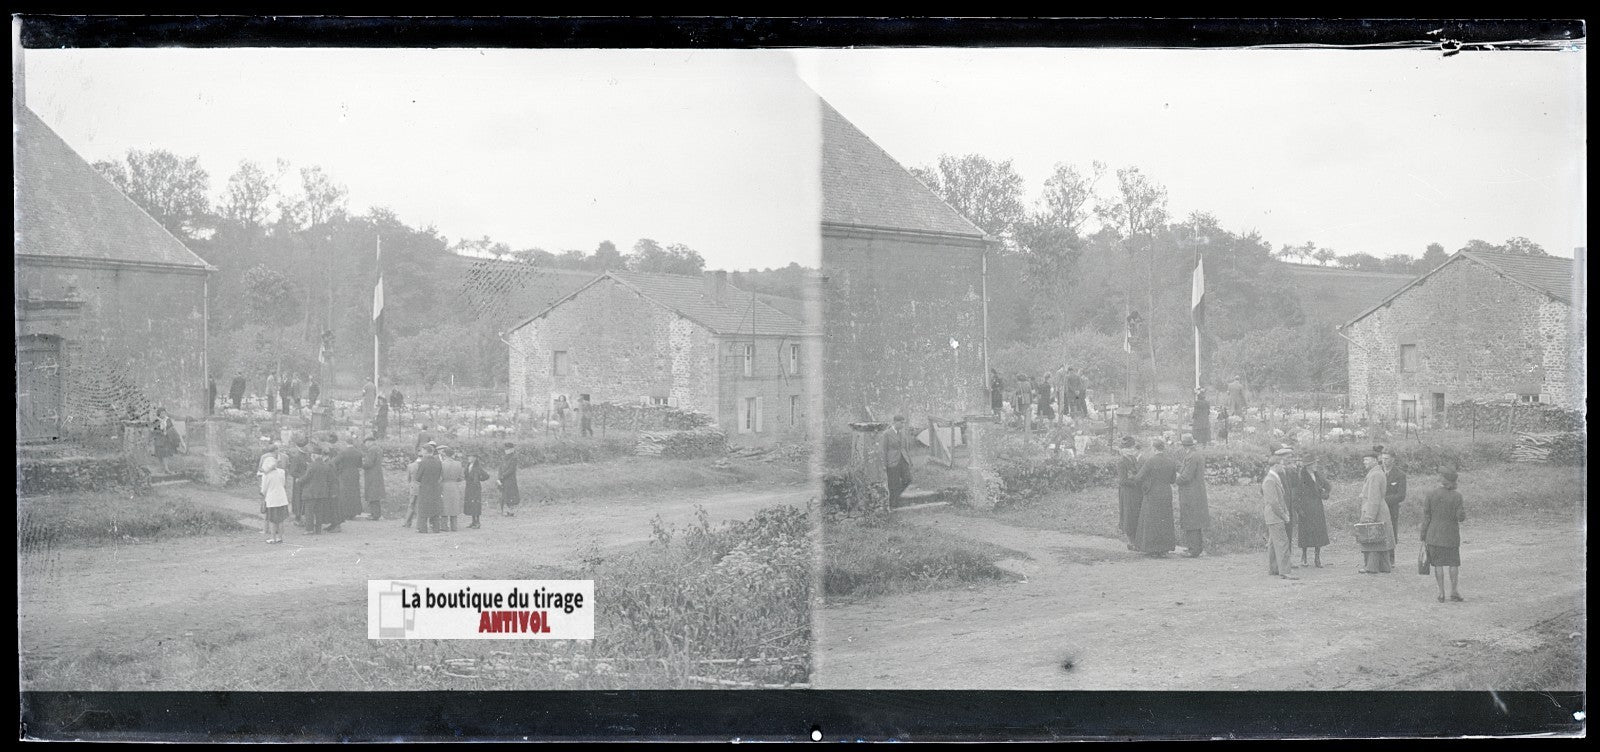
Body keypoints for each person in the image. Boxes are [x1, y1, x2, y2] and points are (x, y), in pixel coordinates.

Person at [1421, 470, 1468, 602]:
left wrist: (1423, 535)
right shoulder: (1457, 496)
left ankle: (1441, 593)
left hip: (1434, 534)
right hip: (1451, 535)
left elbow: (1426, 517)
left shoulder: (1431, 494)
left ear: (1442, 480)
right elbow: (1460, 517)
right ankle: (1454, 591)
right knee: (1453, 563)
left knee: (1438, 565)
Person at [1132, 438, 1179, 556]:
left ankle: (1152, 548)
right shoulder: (1170, 461)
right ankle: (1164, 549)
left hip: (1152, 493)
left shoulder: (1150, 461)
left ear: (1154, 449)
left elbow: (1139, 477)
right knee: (1165, 520)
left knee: (1151, 520)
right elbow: (1173, 480)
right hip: (1166, 493)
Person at [1262, 446, 1296, 579]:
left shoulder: (1273, 478)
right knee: (1282, 542)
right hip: (1275, 517)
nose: (1283, 467)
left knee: (1273, 543)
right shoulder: (1270, 480)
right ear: (1276, 466)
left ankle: (1274, 568)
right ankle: (1285, 571)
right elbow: (1274, 502)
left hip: (1274, 516)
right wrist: (1284, 515)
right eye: (1281, 465)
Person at [1358, 450, 1395, 573]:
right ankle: (1384, 567)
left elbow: (1374, 497)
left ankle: (1371, 567)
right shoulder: (1377, 472)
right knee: (1379, 539)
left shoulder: (1375, 475)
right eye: (1364, 460)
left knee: (1372, 539)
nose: (1364, 462)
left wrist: (1369, 517)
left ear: (1374, 461)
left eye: (1366, 460)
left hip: (1375, 510)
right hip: (1378, 509)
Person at [1294, 454, 1333, 567]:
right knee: (1305, 534)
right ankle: (1304, 556)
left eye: (1315, 463)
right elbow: (1295, 496)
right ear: (1308, 466)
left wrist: (1324, 493)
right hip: (1305, 510)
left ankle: (1317, 558)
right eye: (1314, 464)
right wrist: (1299, 510)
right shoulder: (1301, 477)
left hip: (1317, 508)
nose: (1316, 465)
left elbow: (1328, 486)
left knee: (1318, 533)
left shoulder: (1317, 475)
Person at [1174, 434, 1209, 557]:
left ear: (1184, 446)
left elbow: (1186, 477)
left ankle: (1193, 550)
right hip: (1196, 492)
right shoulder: (1196, 455)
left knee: (1191, 520)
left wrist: (1177, 478)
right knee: (1195, 521)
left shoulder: (1191, 457)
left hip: (1190, 493)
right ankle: (1195, 548)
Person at [300, 445, 339, 535]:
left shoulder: (311, 465)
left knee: (309, 512)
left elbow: (306, 477)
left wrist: (299, 480)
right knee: (319, 512)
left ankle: (309, 529)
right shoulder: (326, 465)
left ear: (314, 455)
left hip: (310, 492)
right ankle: (318, 530)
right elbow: (330, 479)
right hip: (322, 493)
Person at [333, 436, 365, 530]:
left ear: (346, 443)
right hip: (354, 474)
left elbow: (335, 462)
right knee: (354, 492)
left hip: (345, 474)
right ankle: (354, 512)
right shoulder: (358, 453)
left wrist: (338, 470)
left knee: (345, 493)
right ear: (353, 443)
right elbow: (360, 465)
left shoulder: (343, 452)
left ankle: (346, 512)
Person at [1116, 436, 1142, 549]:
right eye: (1127, 448)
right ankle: (1131, 541)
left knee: (1135, 514)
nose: (1130, 450)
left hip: (1135, 491)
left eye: (1131, 448)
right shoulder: (1122, 461)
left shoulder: (1133, 459)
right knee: (1128, 514)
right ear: (1122, 450)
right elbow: (1122, 481)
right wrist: (1135, 481)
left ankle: (1135, 540)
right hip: (1127, 492)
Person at [882, 415, 914, 503]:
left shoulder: (903, 433)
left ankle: (895, 497)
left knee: (908, 479)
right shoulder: (886, 434)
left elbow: (906, 448)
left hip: (903, 459)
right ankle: (893, 502)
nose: (903, 425)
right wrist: (884, 464)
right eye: (901, 423)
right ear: (895, 422)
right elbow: (884, 450)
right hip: (892, 461)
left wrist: (909, 461)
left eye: (904, 423)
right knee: (893, 483)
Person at [414, 444, 444, 534]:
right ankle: (436, 529)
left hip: (425, 487)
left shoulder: (423, 462)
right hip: (435, 487)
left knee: (423, 508)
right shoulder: (438, 462)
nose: (422, 452)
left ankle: (423, 528)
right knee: (435, 508)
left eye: (422, 450)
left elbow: (418, 477)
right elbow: (439, 475)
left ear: (426, 451)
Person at [260, 453, 289, 544]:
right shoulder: (281, 472)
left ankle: (273, 538)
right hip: (282, 498)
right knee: (280, 520)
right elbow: (283, 484)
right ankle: (280, 537)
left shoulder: (266, 475)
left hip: (272, 498)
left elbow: (264, 489)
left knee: (272, 520)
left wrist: (263, 495)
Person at [1381, 449, 1408, 545]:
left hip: (1391, 509)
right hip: (1377, 508)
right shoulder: (1377, 472)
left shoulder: (1400, 475)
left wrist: (1383, 501)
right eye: (1383, 458)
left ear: (1393, 459)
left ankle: (1391, 558)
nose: (1384, 461)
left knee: (1391, 536)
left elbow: (1401, 496)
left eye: (1387, 458)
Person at [439, 446, 465, 532]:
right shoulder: (458, 464)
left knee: (444, 505)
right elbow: (461, 477)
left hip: (444, 485)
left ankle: (444, 526)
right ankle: (454, 526)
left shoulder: (441, 464)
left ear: (445, 454)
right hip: (454, 485)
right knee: (454, 505)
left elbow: (439, 477)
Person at [286, 436, 309, 528]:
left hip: (307, 481)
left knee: (305, 499)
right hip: (299, 483)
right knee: (298, 499)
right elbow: (292, 472)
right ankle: (298, 518)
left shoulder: (307, 456)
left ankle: (304, 517)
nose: (306, 448)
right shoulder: (297, 457)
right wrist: (302, 476)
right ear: (301, 447)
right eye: (304, 446)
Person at [361, 435, 386, 521]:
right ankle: (376, 513)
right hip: (377, 473)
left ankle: (374, 514)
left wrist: (361, 464)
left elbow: (369, 463)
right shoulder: (378, 449)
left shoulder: (371, 450)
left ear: (369, 442)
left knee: (372, 494)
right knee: (376, 495)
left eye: (366, 443)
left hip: (371, 474)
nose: (366, 445)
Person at [464, 453, 491, 529]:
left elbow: (486, 476)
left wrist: (479, 479)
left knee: (476, 504)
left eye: (470, 456)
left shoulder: (478, 467)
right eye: (468, 456)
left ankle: (477, 522)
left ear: (475, 458)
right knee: (471, 504)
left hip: (475, 488)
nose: (469, 458)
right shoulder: (468, 466)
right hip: (469, 487)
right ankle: (473, 522)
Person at [150, 407, 180, 474]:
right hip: (159, 440)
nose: (163, 414)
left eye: (164, 413)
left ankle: (166, 468)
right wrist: (161, 432)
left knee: (166, 454)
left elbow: (172, 427)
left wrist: (169, 432)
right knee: (160, 455)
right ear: (159, 414)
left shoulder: (168, 420)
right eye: (162, 413)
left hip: (167, 440)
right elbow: (153, 431)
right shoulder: (156, 421)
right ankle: (163, 468)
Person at [402, 446, 424, 528]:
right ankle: (419, 523)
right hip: (422, 487)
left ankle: (407, 522)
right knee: (420, 505)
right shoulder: (424, 465)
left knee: (411, 505)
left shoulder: (411, 466)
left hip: (413, 487)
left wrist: (411, 484)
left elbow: (408, 479)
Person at [499, 443, 521, 516]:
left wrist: (503, 475)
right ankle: (505, 510)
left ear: (512, 449)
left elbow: (511, 469)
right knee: (504, 495)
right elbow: (500, 468)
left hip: (510, 479)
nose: (506, 450)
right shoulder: (503, 458)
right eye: (505, 449)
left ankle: (511, 511)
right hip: (503, 479)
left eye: (508, 449)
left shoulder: (514, 458)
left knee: (511, 494)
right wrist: (499, 476)